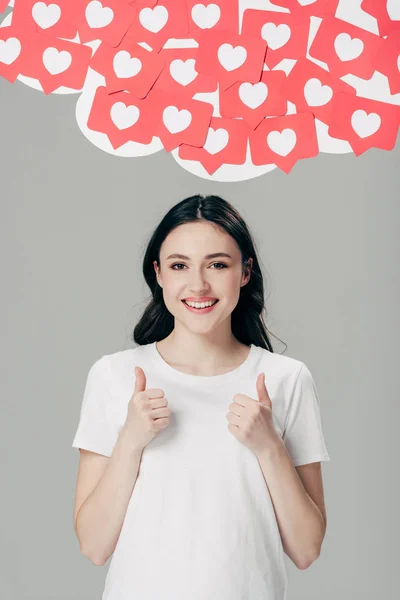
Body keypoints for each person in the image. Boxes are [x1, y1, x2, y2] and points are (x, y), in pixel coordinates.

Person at [72, 193, 330, 600]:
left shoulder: (286, 379)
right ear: (158, 274)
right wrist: (130, 441)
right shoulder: (113, 376)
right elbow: (93, 545)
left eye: (218, 264)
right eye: (179, 266)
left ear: (244, 272)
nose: (198, 285)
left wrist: (269, 448)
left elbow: (306, 549)